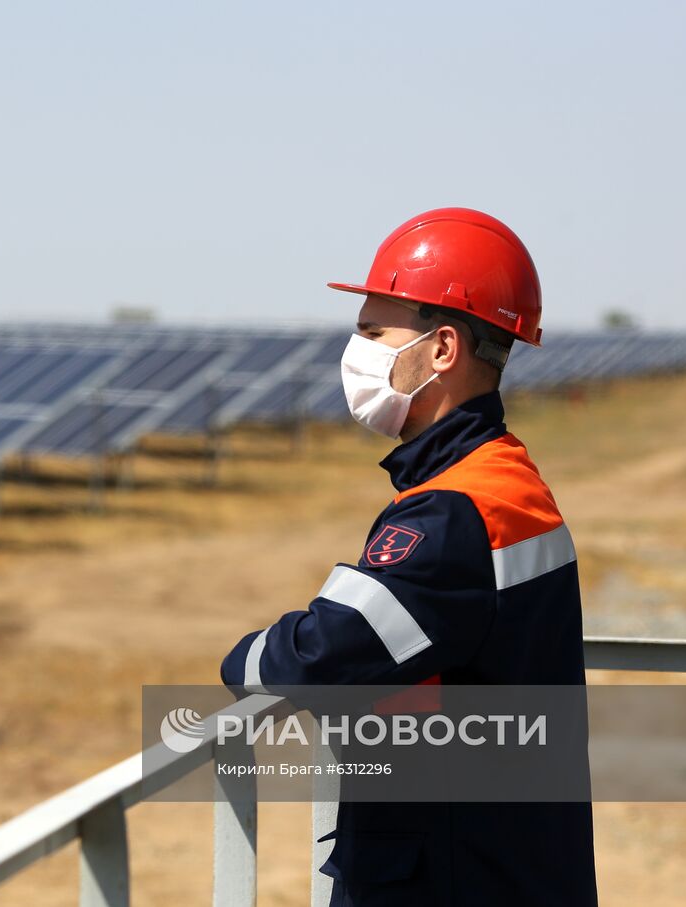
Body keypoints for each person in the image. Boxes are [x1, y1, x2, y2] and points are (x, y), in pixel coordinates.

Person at [219, 208, 598, 906]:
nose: (355, 350)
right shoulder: (505, 478)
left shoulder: (453, 511)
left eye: (372, 331)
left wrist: (243, 658)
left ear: (443, 348)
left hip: (453, 877)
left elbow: (320, 657)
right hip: (506, 862)